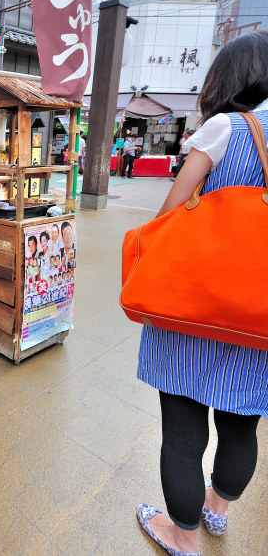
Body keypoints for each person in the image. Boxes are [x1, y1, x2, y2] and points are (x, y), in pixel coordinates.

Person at [135, 30, 268, 556]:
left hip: (197, 309)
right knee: (242, 425)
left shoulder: (225, 128)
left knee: (185, 432)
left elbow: (170, 217)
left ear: (229, 77)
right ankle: (217, 510)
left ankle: (182, 535)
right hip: (257, 314)